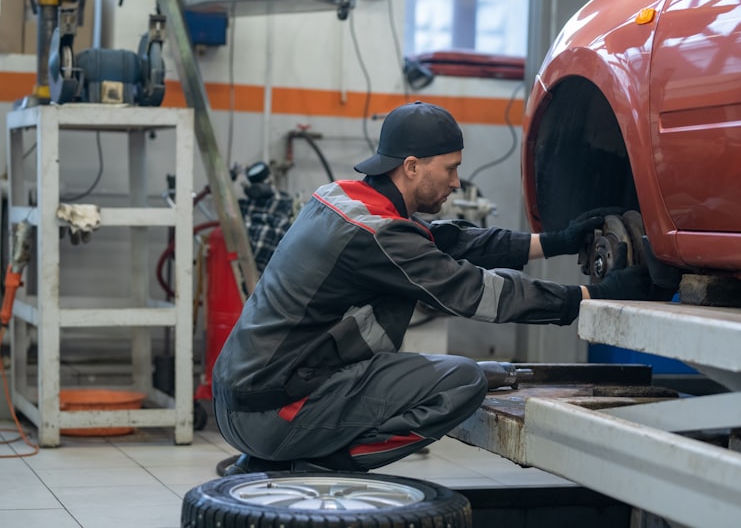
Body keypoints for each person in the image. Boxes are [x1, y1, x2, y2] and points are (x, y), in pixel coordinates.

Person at [213, 101, 670, 475]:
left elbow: (448, 238)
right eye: (450, 169)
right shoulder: (379, 235)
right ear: (412, 167)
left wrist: (553, 242)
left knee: (444, 365)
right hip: (274, 409)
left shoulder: (343, 199)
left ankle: (277, 452)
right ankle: (304, 463)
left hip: (241, 396)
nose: (455, 182)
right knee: (461, 383)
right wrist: (594, 298)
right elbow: (478, 292)